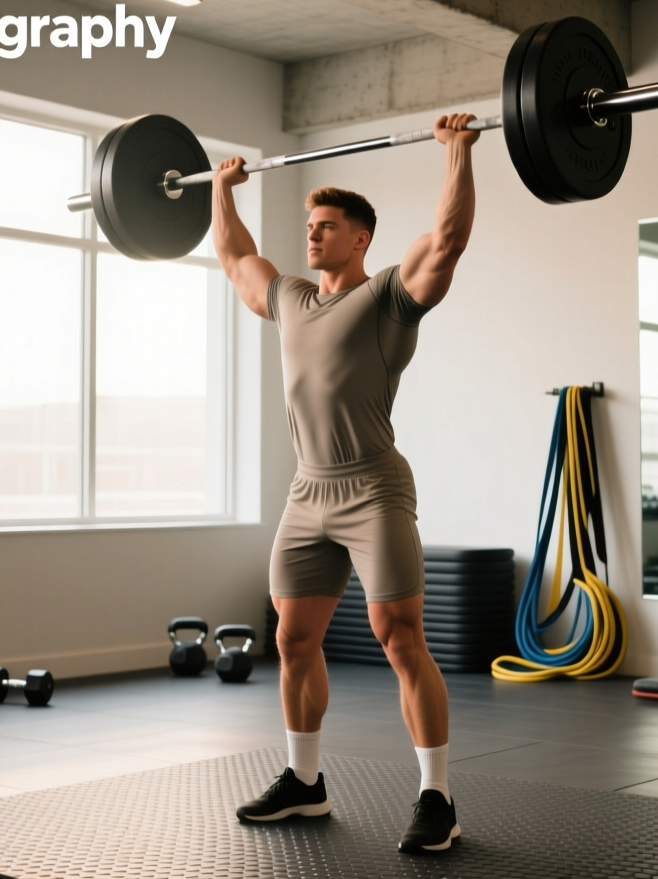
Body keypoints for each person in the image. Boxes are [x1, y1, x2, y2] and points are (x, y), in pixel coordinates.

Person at [210, 113, 480, 853]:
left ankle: (437, 797)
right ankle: (304, 784)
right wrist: (221, 189)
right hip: (307, 494)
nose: (314, 235)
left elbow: (448, 240)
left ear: (360, 238)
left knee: (401, 638)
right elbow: (236, 260)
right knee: (294, 636)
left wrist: (456, 153)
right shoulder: (291, 298)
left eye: (328, 226)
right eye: (311, 225)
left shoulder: (390, 297)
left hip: (372, 490)